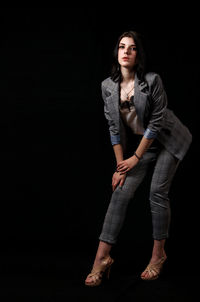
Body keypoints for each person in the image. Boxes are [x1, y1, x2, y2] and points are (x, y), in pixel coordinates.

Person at [85, 31, 192, 286]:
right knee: (120, 189)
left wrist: (134, 157)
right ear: (116, 52)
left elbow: (155, 124)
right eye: (122, 47)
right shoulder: (107, 87)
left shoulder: (152, 80)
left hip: (167, 140)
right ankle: (102, 259)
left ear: (137, 54)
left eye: (132, 48)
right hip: (145, 146)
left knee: (156, 191)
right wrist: (121, 167)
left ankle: (158, 255)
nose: (126, 51)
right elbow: (114, 128)